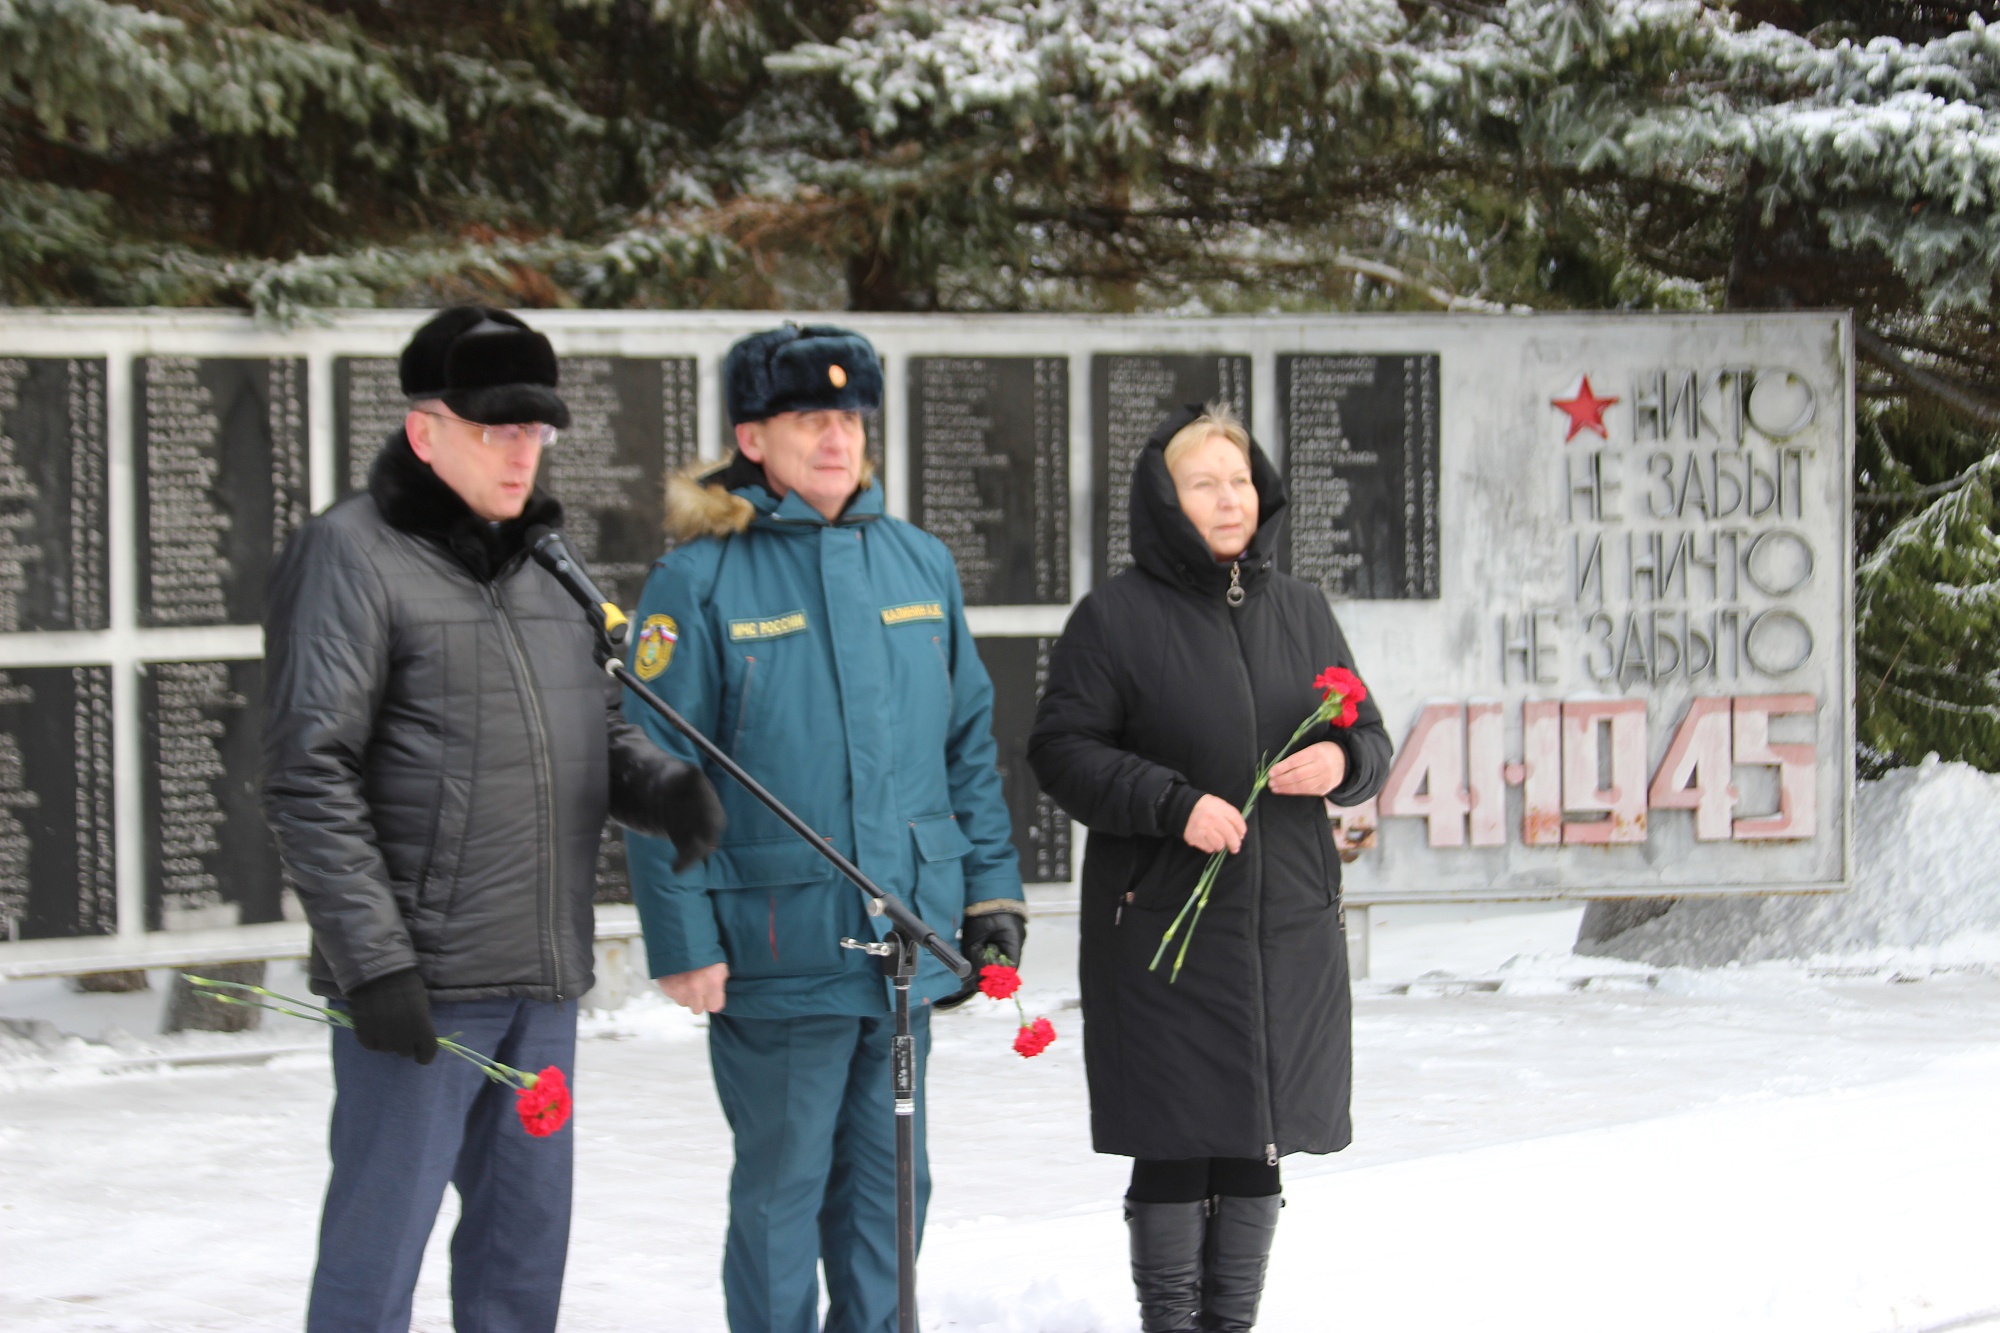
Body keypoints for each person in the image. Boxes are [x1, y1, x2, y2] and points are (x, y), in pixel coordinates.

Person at [262, 305, 724, 1333]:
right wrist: (374, 962)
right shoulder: (348, 556)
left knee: (522, 1258)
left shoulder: (545, 563)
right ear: (425, 431)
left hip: (539, 981)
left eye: (535, 430)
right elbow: (308, 772)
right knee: (376, 1257)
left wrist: (660, 787)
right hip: (418, 987)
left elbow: (593, 725)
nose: (522, 453)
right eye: (495, 429)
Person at [622, 323, 1026, 1333]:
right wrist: (682, 938)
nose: (836, 438)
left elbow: (965, 744)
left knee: (890, 1196)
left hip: (904, 943)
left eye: (849, 418)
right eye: (809, 418)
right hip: (776, 945)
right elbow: (653, 769)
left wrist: (989, 894)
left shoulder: (919, 563)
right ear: (752, 438)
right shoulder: (698, 579)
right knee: (781, 1197)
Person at [1027, 402, 1392, 1333]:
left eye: (1239, 481)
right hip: (1166, 930)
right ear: (1166, 501)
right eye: (1204, 484)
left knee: (1258, 1136)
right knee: (1177, 1138)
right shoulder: (1115, 617)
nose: (1229, 500)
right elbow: (1061, 751)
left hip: (1286, 926)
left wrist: (1343, 760)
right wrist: (1171, 801)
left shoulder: (1302, 609)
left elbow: (1372, 736)